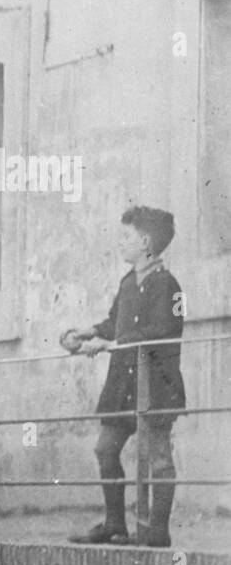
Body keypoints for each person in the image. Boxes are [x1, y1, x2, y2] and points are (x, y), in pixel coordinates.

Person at [60, 206, 186, 547]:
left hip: (156, 384)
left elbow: (165, 330)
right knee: (105, 449)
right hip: (123, 383)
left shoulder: (169, 285)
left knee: (158, 457)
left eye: (126, 236)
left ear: (145, 241)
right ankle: (115, 523)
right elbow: (114, 323)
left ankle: (157, 531)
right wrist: (85, 334)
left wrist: (111, 343)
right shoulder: (127, 282)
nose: (121, 243)